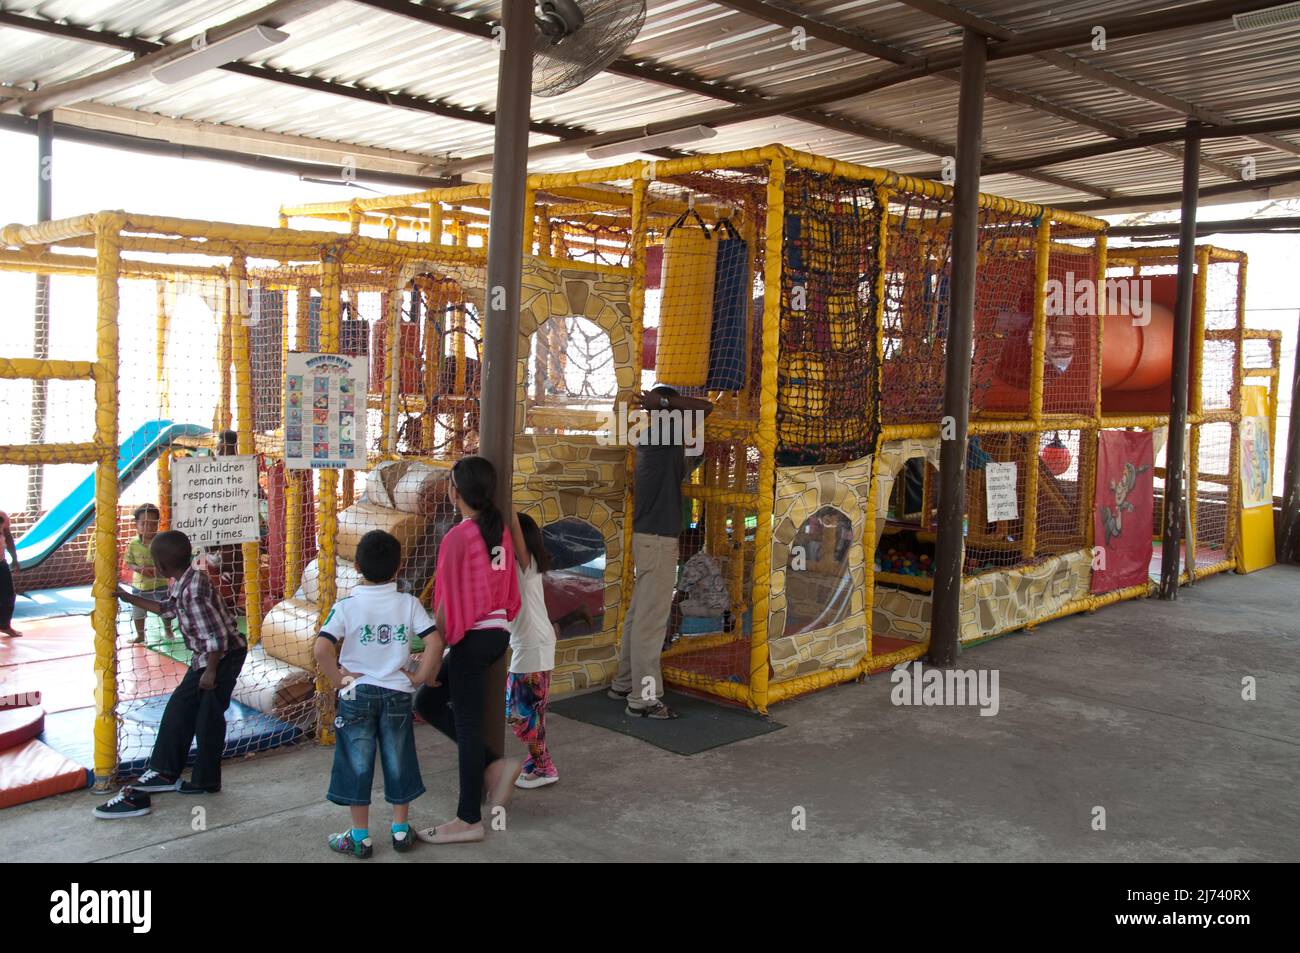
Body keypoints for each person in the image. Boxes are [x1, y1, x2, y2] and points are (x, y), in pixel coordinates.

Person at [94, 530, 247, 818]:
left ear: (161, 567)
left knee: (200, 715)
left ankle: (174, 773)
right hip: (210, 657)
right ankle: (194, 777)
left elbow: (216, 637)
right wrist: (130, 598)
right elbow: (167, 609)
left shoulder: (194, 590)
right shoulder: (186, 582)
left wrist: (211, 672)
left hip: (219, 658)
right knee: (194, 714)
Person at [413, 456, 522, 845]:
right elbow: (506, 590)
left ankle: (468, 819)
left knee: (466, 725)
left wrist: (430, 652)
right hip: (497, 634)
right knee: (427, 703)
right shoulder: (499, 531)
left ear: (455, 491)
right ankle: (496, 765)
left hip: (473, 639)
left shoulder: (459, 536)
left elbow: (446, 603)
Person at [314, 530, 439, 858]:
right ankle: (400, 831)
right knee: (399, 757)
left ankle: (360, 837)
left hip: (356, 694)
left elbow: (321, 649)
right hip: (397, 693)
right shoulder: (409, 604)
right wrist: (419, 677)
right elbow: (435, 642)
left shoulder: (346, 606)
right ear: (399, 568)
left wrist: (339, 681)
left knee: (356, 760)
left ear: (356, 566)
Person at [609, 385, 713, 719]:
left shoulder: (657, 439)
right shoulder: (664, 431)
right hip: (657, 541)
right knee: (651, 623)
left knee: (639, 614)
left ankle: (624, 682)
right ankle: (644, 698)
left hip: (649, 539)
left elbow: (681, 468)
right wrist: (665, 402)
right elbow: (704, 407)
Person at [506, 510, 558, 789]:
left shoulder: (525, 563)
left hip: (532, 646)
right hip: (535, 642)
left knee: (517, 713)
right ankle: (535, 761)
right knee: (534, 712)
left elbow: (512, 523)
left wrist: (500, 497)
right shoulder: (524, 564)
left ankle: (544, 767)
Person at [123, 503, 174, 644]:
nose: (148, 527)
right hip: (140, 586)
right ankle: (140, 635)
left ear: (158, 523)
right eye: (144, 523)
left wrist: (159, 569)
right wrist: (139, 569)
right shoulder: (132, 544)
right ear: (136, 525)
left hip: (160, 584)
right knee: (138, 613)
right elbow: (129, 562)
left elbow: (168, 559)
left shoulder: (161, 541)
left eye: (153, 523)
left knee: (166, 611)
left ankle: (168, 630)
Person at [0, 509, 20, 638]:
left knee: (9, 595)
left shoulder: (2, 516)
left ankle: (4, 625)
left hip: (1, 563)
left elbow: (8, 537)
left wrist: (14, 558)